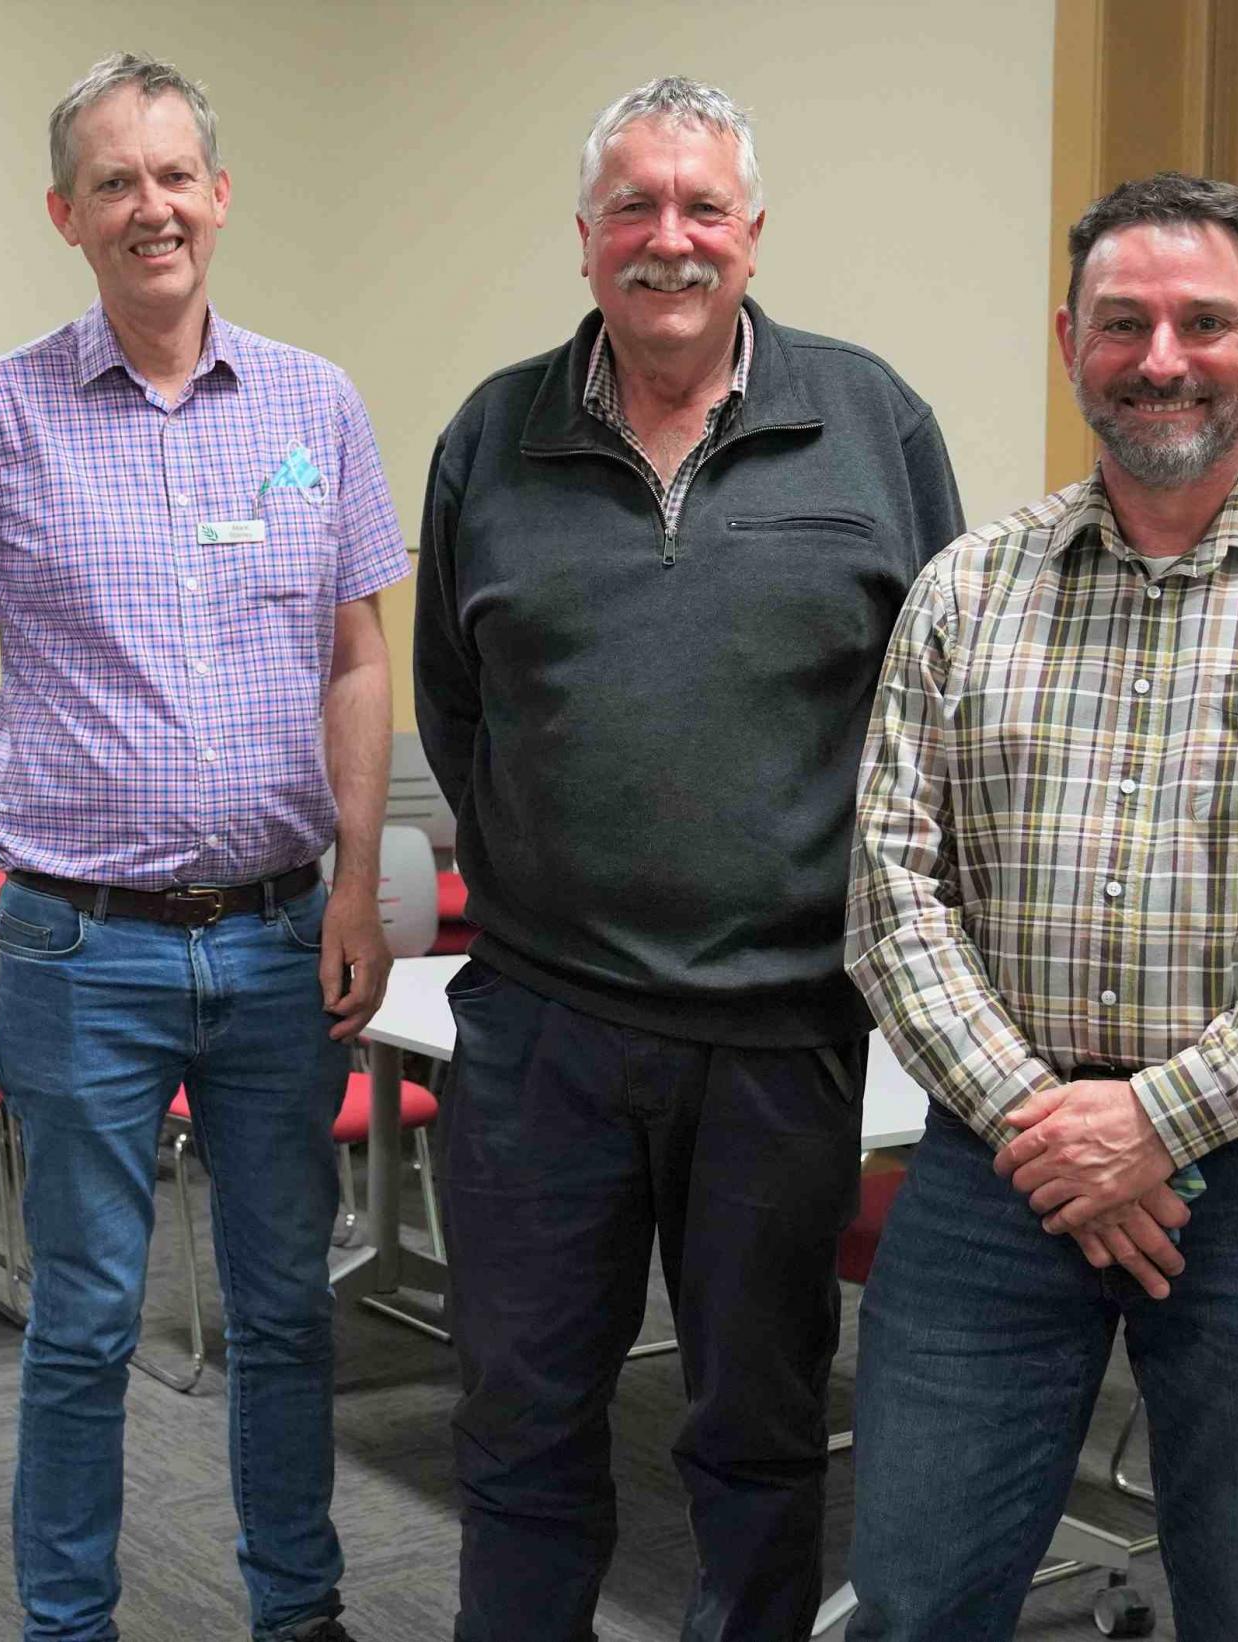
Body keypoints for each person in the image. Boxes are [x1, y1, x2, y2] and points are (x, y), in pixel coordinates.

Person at [843, 172, 1238, 1640]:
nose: (1161, 356)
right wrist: (1043, 1120)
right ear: (1070, 336)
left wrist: (1158, 1119)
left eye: (1202, 321)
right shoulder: (965, 590)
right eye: (1123, 321)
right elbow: (891, 891)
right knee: (915, 1597)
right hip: (996, 1177)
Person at [414, 74, 964, 1642]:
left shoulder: (872, 421)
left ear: (752, 233)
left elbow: (937, 707)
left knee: (760, 1435)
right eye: (634, 209)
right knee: (518, 1427)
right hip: (540, 1033)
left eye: (702, 208)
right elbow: (463, 709)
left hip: (782, 1033)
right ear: (585, 241)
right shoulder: (491, 434)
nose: (670, 240)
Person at [0, 52, 407, 1642]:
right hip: (76, 941)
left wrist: (360, 878)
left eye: (175, 174)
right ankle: (69, 1620)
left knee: (283, 1309)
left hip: (272, 935)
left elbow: (358, 658)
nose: (151, 206)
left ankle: (296, 1609)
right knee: (84, 1319)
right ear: (67, 214)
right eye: (114, 182)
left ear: (220, 195)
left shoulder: (315, 401)